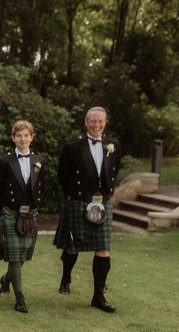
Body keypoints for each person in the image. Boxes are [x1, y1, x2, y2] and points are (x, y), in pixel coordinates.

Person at [53, 107, 122, 312]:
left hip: (103, 202)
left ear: (105, 123)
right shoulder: (73, 147)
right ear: (86, 123)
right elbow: (62, 175)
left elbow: (114, 170)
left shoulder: (114, 145)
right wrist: (73, 196)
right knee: (74, 245)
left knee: (103, 248)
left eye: (100, 121)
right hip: (79, 201)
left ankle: (98, 296)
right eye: (93, 121)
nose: (96, 125)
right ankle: (66, 277)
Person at [0, 120, 44, 313]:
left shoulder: (40, 161)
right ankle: (20, 298)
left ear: (31, 137)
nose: (23, 139)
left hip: (30, 213)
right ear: (13, 138)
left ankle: (6, 280)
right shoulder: (3, 161)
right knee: (14, 258)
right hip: (10, 212)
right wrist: (4, 211)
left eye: (26, 135)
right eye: (19, 135)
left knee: (21, 257)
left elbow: (39, 188)